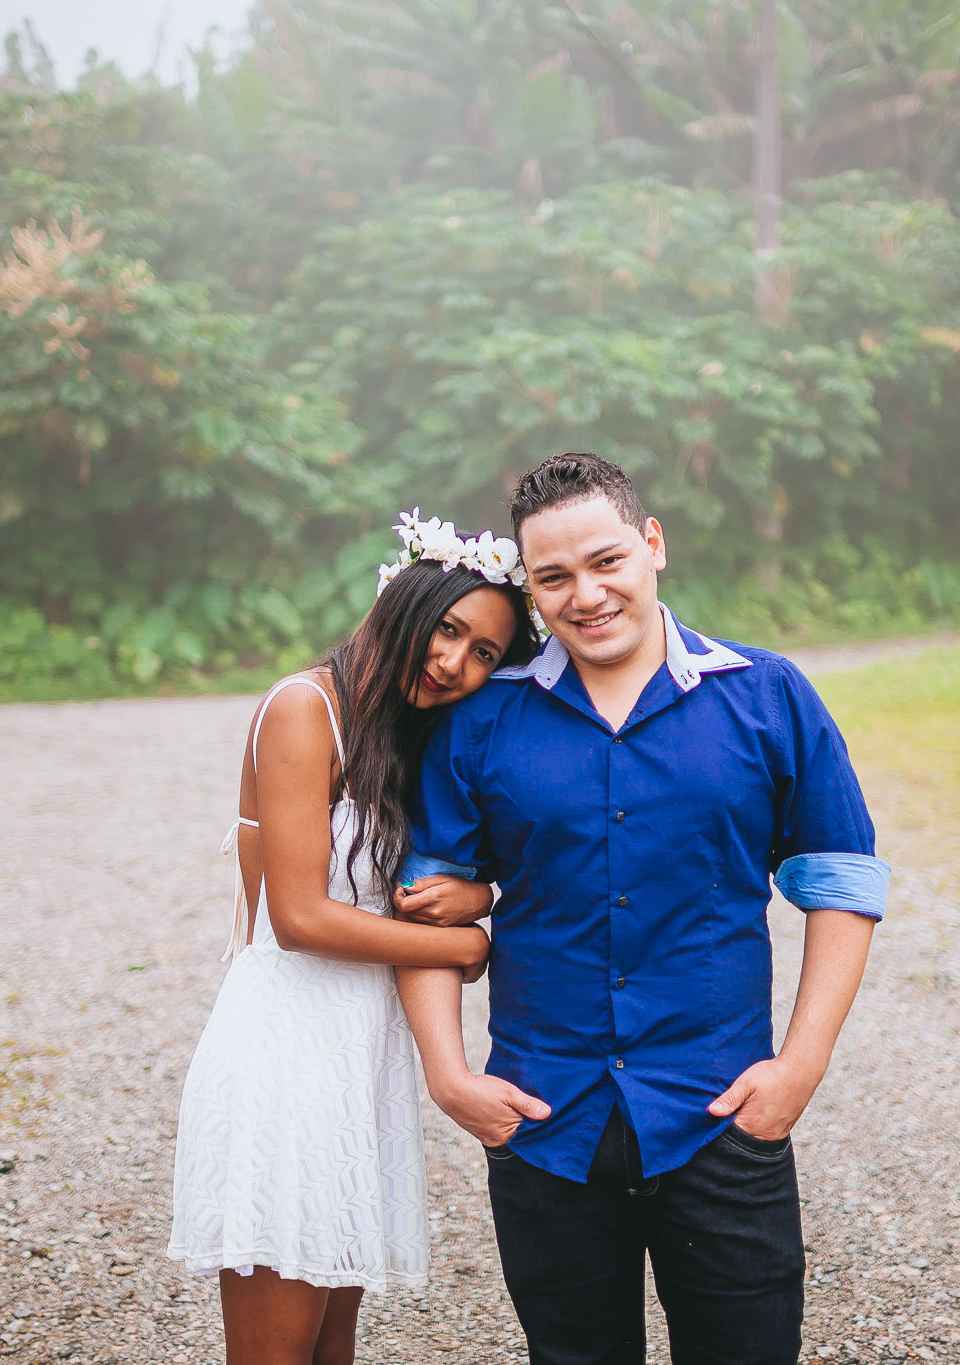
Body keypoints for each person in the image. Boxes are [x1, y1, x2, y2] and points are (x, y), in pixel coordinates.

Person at [394, 453, 888, 1365]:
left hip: (721, 1117)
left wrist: (799, 1068)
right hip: (545, 1124)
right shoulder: (481, 722)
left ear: (652, 543)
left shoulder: (768, 695)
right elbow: (426, 905)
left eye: (606, 560)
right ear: (532, 590)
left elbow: (844, 886)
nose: (585, 594)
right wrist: (449, 1075)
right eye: (554, 577)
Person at [168, 512, 538, 1365]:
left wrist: (476, 891)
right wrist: (463, 947)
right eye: (449, 630)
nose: (456, 663)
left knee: (332, 1346)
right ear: (404, 601)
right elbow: (296, 918)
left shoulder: (399, 729)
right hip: (286, 1049)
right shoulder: (306, 710)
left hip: (356, 1051)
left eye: (484, 653)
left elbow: (422, 874)